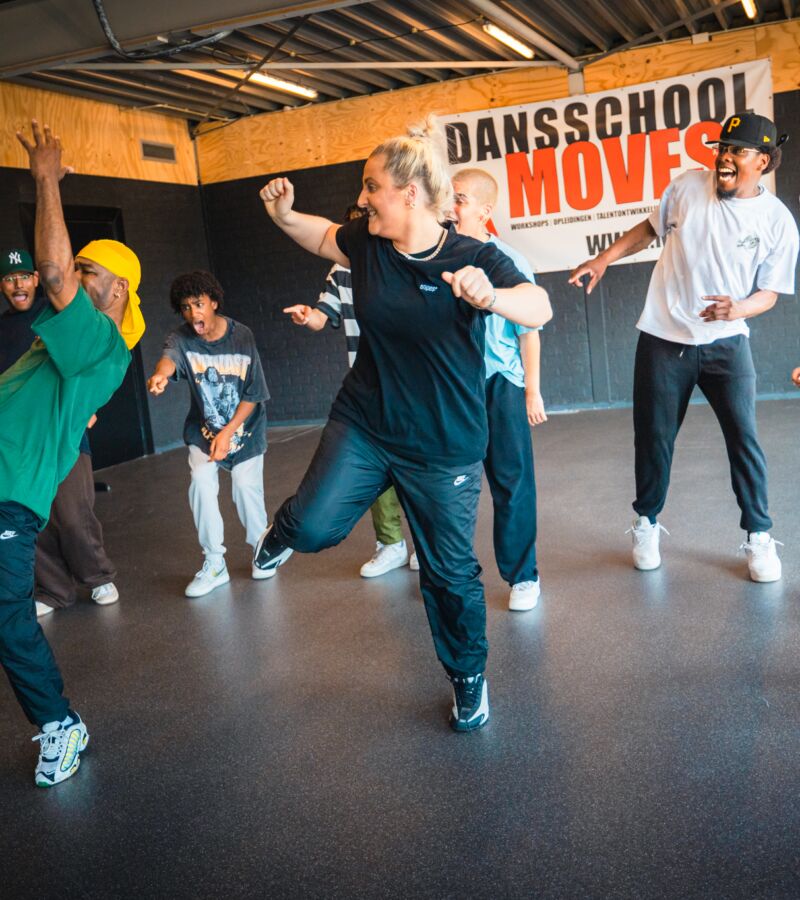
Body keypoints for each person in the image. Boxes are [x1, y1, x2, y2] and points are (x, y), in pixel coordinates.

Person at [254, 118, 552, 732]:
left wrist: (490, 296)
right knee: (312, 529)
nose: (362, 199)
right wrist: (283, 216)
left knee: (449, 574)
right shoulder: (368, 243)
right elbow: (321, 236)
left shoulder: (472, 255)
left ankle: (468, 678)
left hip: (443, 443)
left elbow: (538, 306)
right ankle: (283, 530)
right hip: (367, 422)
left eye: (372, 187)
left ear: (410, 193)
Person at [569, 112, 799, 582]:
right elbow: (649, 229)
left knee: (744, 441)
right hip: (663, 339)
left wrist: (738, 309)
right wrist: (604, 259)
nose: (724, 157)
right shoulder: (687, 187)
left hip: (727, 345)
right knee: (654, 439)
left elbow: (770, 293)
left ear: (763, 161)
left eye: (737, 151)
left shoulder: (777, 221)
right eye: (722, 148)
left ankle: (758, 535)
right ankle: (647, 524)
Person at [3, 121, 138, 787]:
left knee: (7, 617)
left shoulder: (103, 342)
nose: (76, 277)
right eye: (81, 268)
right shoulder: (55, 341)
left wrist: (45, 181)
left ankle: (59, 724)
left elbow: (52, 273)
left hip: (11, 494)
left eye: (92, 272)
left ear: (117, 292)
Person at [284, 203, 419, 578]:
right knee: (375, 466)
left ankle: (426, 544)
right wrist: (307, 316)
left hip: (409, 384)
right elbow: (321, 315)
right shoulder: (341, 268)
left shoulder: (402, 259)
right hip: (366, 386)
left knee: (415, 468)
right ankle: (390, 544)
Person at [451, 168, 546, 612]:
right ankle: (446, 566)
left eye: (460, 199)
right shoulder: (436, 257)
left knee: (511, 482)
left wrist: (532, 391)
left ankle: (523, 576)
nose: (450, 207)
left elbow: (530, 331)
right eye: (447, 198)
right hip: (452, 387)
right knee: (447, 483)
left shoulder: (509, 262)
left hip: (500, 383)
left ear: (484, 210)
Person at [147, 271, 270, 598]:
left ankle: (262, 550)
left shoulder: (242, 337)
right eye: (186, 307)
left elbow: (253, 395)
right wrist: (160, 376)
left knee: (245, 487)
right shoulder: (181, 338)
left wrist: (228, 433)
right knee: (201, 482)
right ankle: (214, 563)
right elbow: (169, 359)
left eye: (199, 304)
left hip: (245, 428)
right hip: (203, 430)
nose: (193, 313)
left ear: (213, 303)